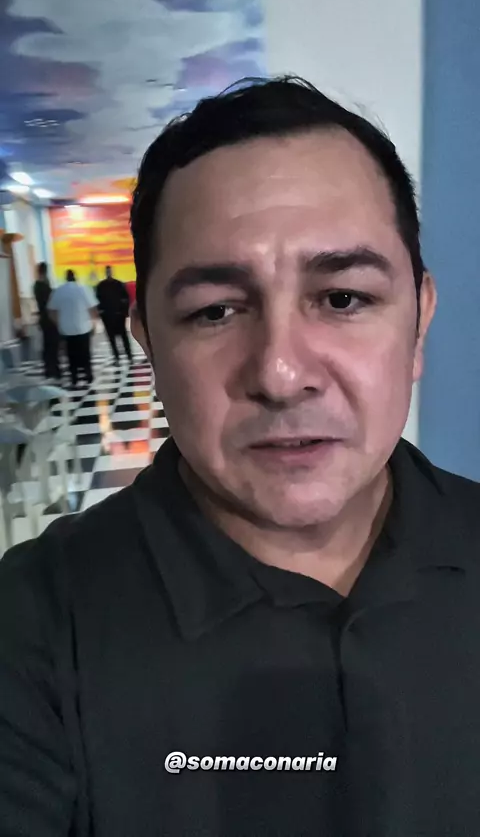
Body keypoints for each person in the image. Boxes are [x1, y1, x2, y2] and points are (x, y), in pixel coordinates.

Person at [0, 76, 478, 836]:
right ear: (149, 344)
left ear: (418, 320)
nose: (281, 375)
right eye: (215, 311)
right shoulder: (30, 627)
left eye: (343, 298)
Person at [47, 269, 97, 388]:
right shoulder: (83, 289)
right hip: (83, 327)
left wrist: (58, 323)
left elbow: (51, 311)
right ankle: (88, 375)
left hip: (66, 329)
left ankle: (74, 378)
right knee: (85, 353)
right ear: (75, 277)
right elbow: (92, 308)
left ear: (66, 277)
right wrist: (94, 324)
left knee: (71, 355)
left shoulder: (59, 291)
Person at [96, 265, 132, 362]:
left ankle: (128, 354)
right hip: (108, 316)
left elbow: (126, 298)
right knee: (112, 338)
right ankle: (117, 356)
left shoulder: (118, 284)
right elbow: (98, 301)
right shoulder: (101, 286)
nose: (109, 273)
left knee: (123, 336)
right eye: (107, 271)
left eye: (109, 271)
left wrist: (124, 312)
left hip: (118, 315)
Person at [33, 261, 61, 381]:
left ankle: (50, 369)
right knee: (52, 345)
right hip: (49, 318)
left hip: (44, 318)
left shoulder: (37, 285)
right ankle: (53, 369)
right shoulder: (43, 286)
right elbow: (50, 302)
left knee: (48, 344)